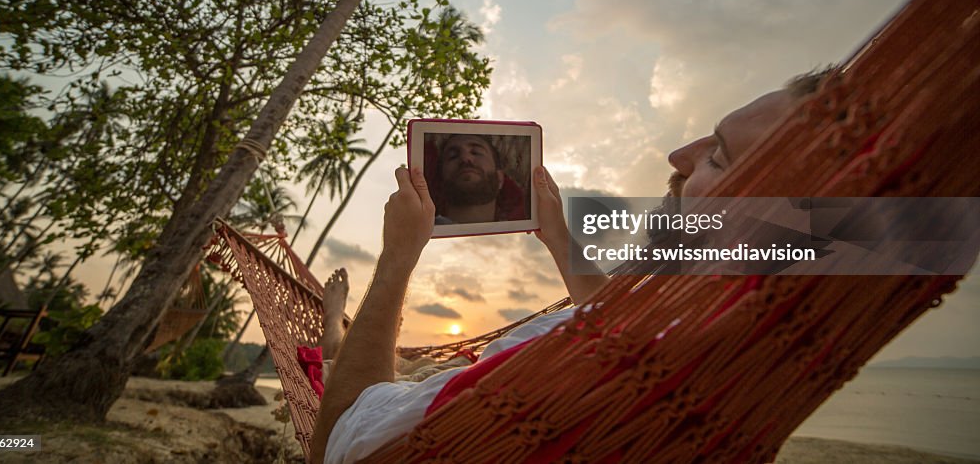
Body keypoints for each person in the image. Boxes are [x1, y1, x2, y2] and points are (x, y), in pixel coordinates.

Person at [309, 72, 829, 464]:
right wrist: (559, 238)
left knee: (344, 366)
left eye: (719, 157)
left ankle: (337, 332)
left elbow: (333, 443)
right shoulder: (717, 335)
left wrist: (398, 258)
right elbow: (616, 322)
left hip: (383, 411)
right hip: (448, 389)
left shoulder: (573, 362)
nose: (679, 156)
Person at [432, 134, 527, 224]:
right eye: (453, 156)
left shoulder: (517, 234)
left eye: (476, 152)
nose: (465, 158)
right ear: (441, 179)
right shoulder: (423, 231)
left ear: (500, 179)